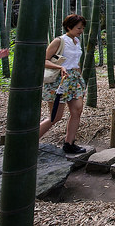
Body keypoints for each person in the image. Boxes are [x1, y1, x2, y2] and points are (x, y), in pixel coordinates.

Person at [39, 14, 88, 154]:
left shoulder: (76, 41)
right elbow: (44, 60)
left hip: (74, 79)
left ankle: (69, 143)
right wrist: (60, 67)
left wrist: (80, 78)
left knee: (77, 110)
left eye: (82, 28)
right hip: (59, 80)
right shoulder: (59, 41)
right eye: (78, 28)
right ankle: (28, 141)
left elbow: (76, 62)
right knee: (55, 117)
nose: (81, 30)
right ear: (69, 27)